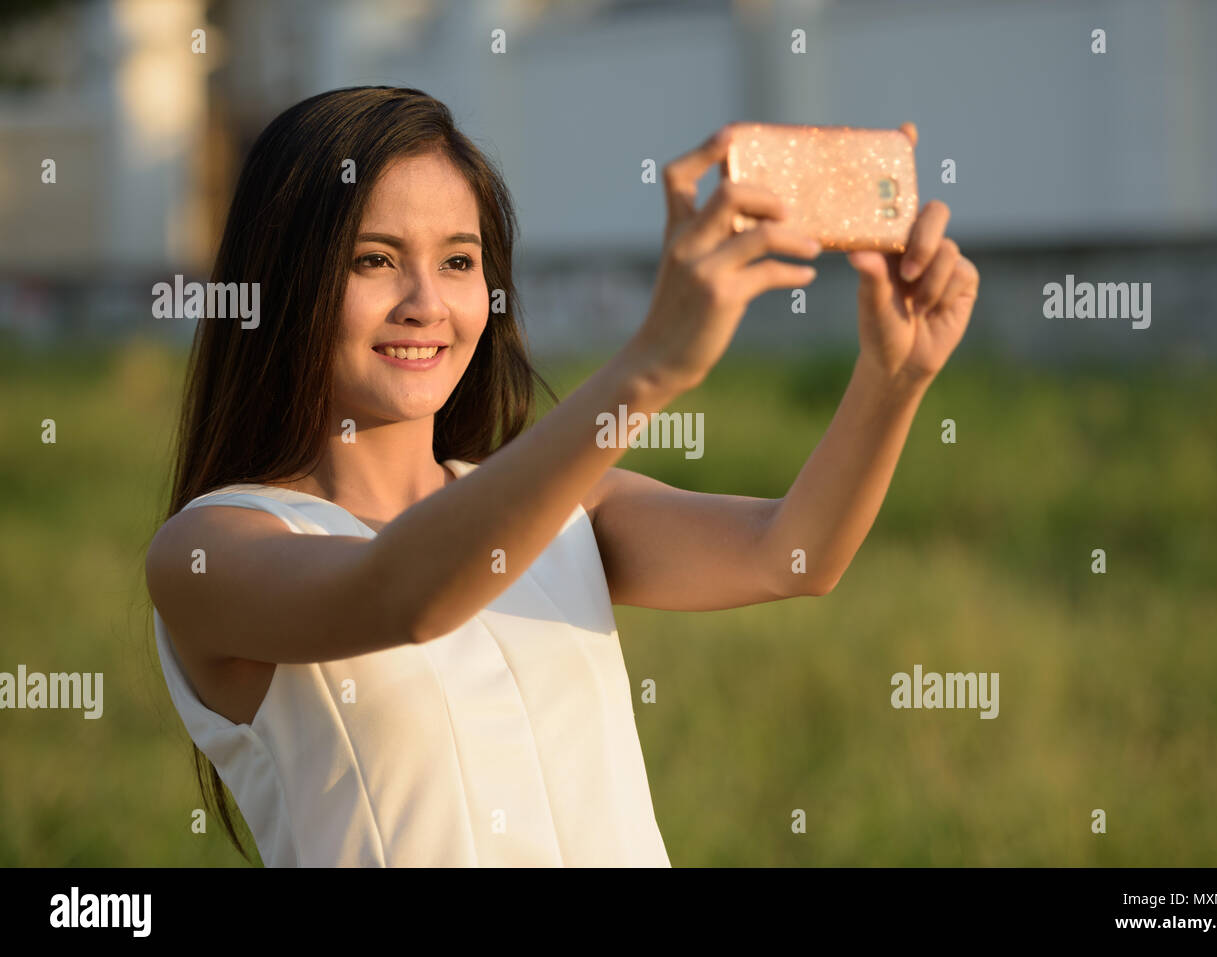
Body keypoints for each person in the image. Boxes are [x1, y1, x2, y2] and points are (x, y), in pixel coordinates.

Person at [145, 86, 979, 867]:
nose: (425, 303)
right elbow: (403, 592)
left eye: (459, 261)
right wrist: (654, 362)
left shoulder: (566, 502)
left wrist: (894, 377)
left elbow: (792, 553)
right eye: (374, 259)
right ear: (288, 280)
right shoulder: (208, 550)